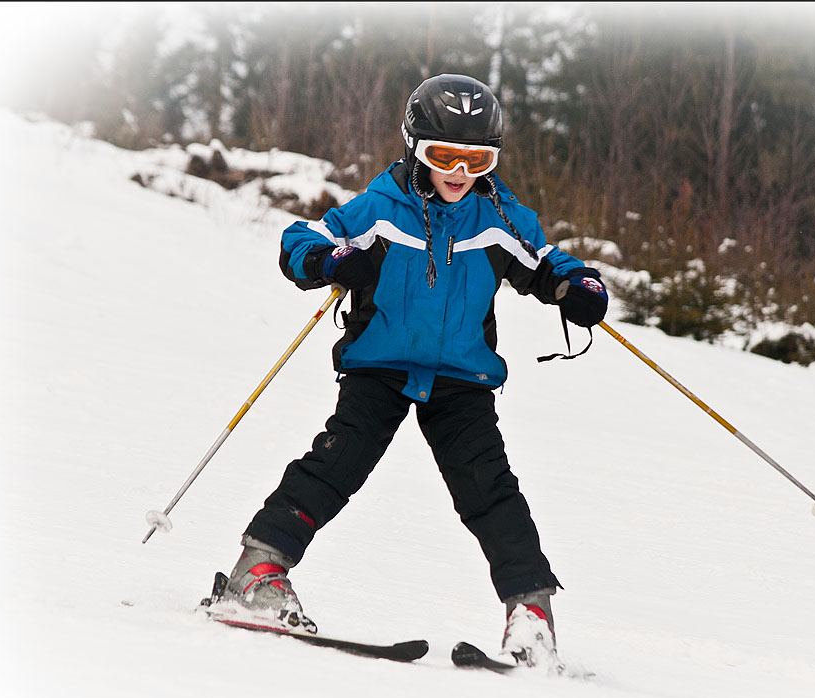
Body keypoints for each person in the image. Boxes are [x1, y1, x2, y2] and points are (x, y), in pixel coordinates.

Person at [213, 73, 608, 668]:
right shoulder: (382, 209)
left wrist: (577, 286)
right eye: (443, 155)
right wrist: (329, 259)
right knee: (337, 463)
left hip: (461, 381)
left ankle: (531, 617)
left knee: (489, 489)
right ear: (414, 147)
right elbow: (304, 239)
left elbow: (548, 262)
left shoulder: (498, 216)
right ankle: (258, 571)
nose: (459, 171)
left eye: (477, 158)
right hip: (381, 367)